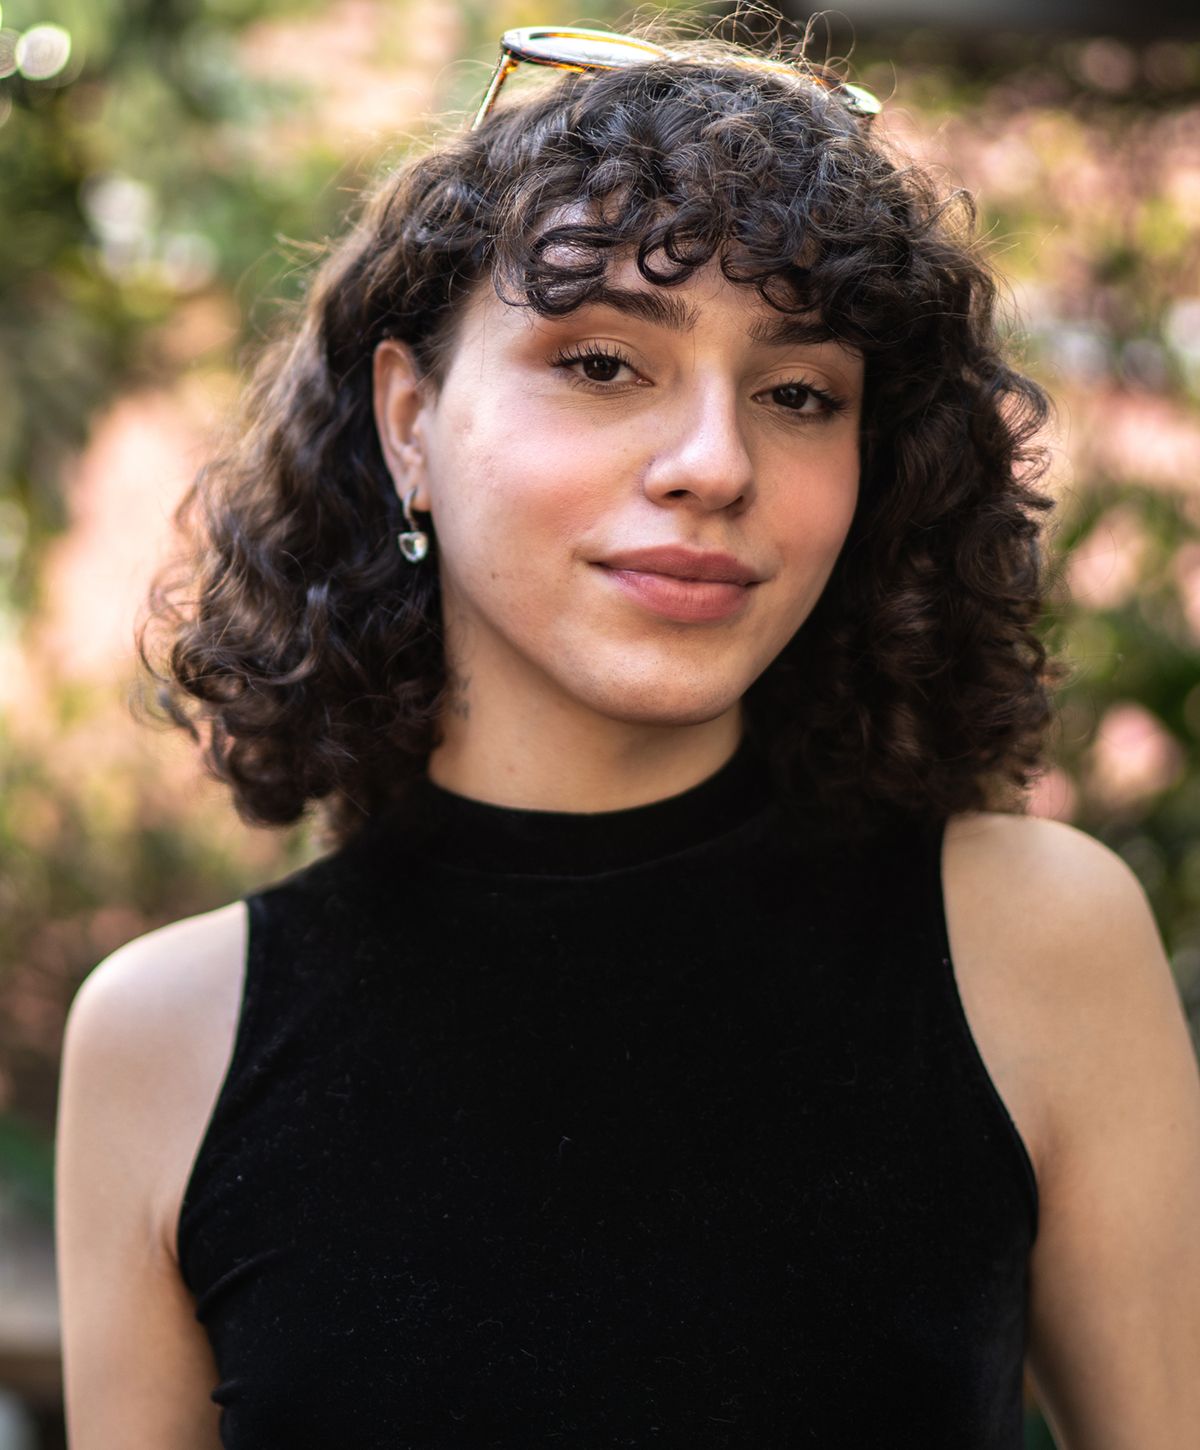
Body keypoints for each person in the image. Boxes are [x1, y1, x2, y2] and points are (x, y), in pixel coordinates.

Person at [53, 13, 1200, 1448]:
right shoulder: (169, 1037)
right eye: (602, 364)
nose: (714, 463)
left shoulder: (1034, 945)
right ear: (409, 421)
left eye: (799, 394)